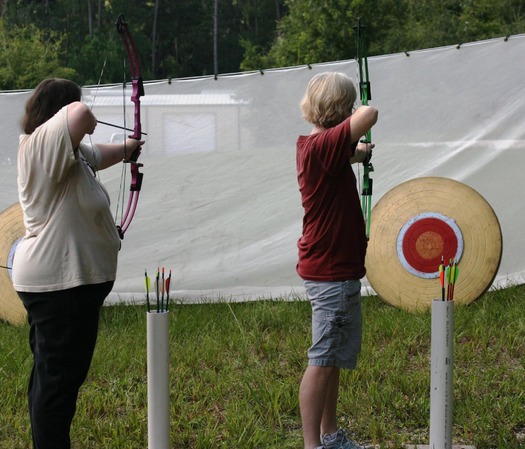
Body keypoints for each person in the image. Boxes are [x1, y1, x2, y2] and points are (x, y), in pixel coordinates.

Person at [12, 78, 144, 449]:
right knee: (58, 383)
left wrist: (128, 147)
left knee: (55, 378)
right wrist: (85, 114)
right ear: (57, 110)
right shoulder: (40, 146)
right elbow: (81, 114)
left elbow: (99, 154)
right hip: (58, 285)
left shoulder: (64, 154)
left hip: (67, 286)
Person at [296, 72, 378, 449]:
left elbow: (347, 151)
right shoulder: (321, 146)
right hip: (330, 271)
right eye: (345, 105)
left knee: (332, 360)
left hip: (335, 269)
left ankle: (329, 435)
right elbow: (369, 114)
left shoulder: (318, 147)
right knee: (322, 358)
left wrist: (359, 152)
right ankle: (314, 445)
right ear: (338, 109)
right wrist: (359, 108)